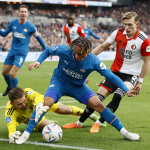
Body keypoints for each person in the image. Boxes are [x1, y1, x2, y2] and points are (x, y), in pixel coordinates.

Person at [15, 37, 140, 144]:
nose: (78, 56)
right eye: (75, 53)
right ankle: (25, 135)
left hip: (78, 87)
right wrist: (38, 61)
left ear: (88, 52)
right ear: (72, 49)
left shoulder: (94, 61)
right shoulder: (65, 50)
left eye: (82, 54)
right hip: (59, 82)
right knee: (46, 103)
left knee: (99, 105)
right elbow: (48, 50)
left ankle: (124, 132)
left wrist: (125, 89)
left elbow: (111, 76)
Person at [62, 11, 150, 133]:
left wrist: (140, 82)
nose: (127, 28)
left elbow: (147, 62)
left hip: (131, 75)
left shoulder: (144, 40)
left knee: (118, 95)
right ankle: (79, 123)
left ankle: (99, 123)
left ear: (137, 24)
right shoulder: (118, 33)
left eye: (130, 25)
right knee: (96, 99)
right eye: (125, 24)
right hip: (114, 72)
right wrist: (85, 59)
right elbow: (102, 47)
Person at [6, 87, 99, 143]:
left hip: (42, 106)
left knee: (65, 110)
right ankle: (51, 122)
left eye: (24, 101)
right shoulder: (10, 111)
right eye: (19, 104)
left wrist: (39, 105)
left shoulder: (26, 92)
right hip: (30, 119)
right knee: (49, 128)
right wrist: (12, 134)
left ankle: (91, 115)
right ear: (12, 103)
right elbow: (11, 125)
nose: (24, 105)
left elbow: (37, 96)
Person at [0, 5, 47, 96]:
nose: (23, 13)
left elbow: (39, 39)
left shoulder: (31, 26)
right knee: (4, 72)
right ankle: (10, 87)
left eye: (25, 12)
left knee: (13, 74)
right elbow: (4, 34)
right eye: (22, 11)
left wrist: (47, 50)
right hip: (12, 51)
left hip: (21, 53)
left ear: (27, 14)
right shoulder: (13, 23)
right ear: (19, 13)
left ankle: (15, 93)